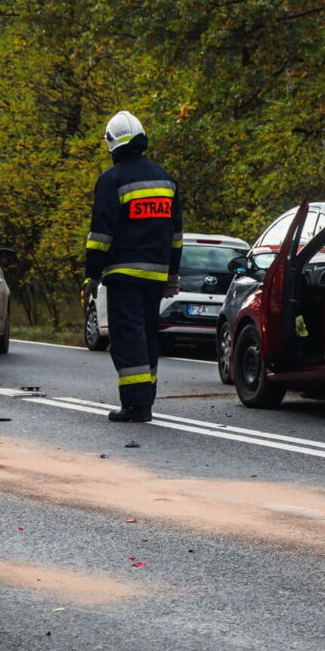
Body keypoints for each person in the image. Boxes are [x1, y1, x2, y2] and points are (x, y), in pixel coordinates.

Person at [83, 111, 182, 423]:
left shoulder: (111, 180)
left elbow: (100, 236)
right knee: (148, 336)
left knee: (128, 337)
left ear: (113, 145)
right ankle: (145, 398)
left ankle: (136, 406)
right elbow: (176, 236)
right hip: (155, 274)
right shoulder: (166, 180)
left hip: (124, 274)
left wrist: (91, 275)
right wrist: (172, 274)